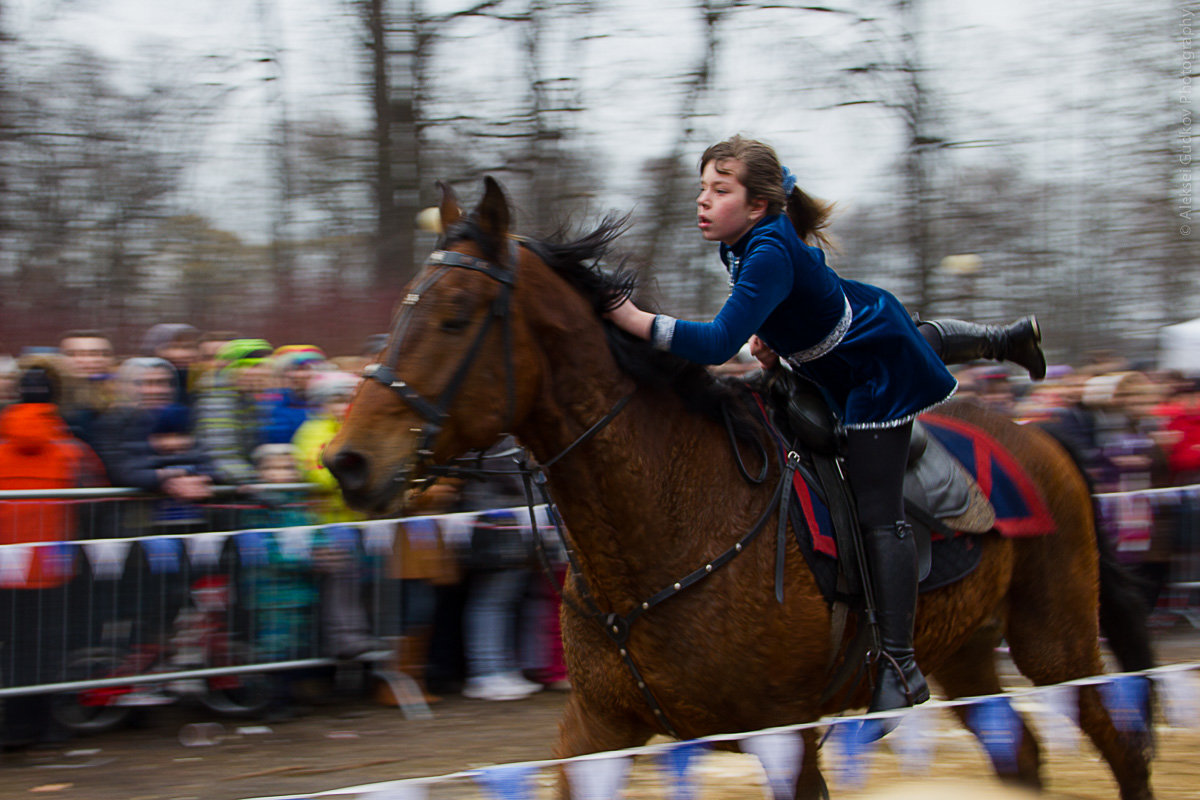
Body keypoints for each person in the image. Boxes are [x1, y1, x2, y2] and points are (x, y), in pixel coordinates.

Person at [605, 135, 1046, 716]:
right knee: (906, 332)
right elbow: (779, 201)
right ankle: (1005, 338)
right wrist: (775, 331)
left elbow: (716, 342)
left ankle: (899, 663)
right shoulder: (741, 239)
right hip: (840, 342)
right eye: (702, 188)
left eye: (719, 190)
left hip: (871, 374)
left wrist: (632, 317)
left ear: (756, 205)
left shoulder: (764, 250)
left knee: (877, 512)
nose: (702, 201)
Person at [0, 357, 107, 751]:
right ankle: (49, 725)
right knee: (48, 644)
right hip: (53, 564)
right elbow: (94, 500)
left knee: (12, 645)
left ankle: (14, 725)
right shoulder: (70, 447)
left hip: (6, 564)